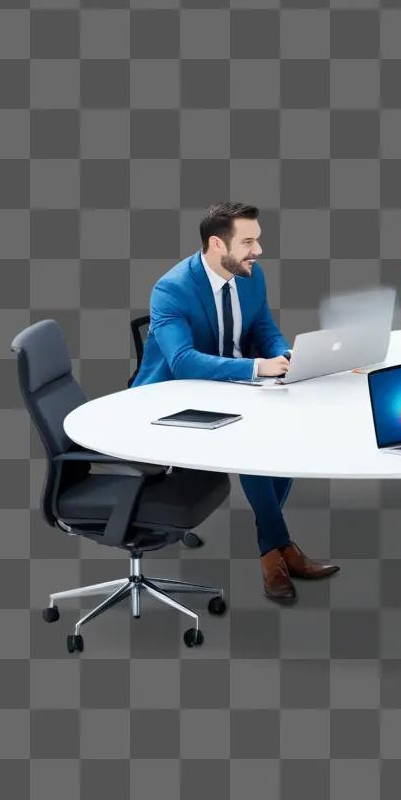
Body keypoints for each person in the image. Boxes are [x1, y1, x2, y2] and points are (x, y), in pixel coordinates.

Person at [131, 203, 339, 603]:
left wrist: (285, 355)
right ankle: (275, 552)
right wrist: (257, 367)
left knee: (287, 439)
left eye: (257, 239)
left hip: (233, 386)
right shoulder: (172, 289)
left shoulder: (249, 275)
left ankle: (274, 547)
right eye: (248, 241)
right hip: (172, 398)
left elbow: (264, 327)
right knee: (255, 446)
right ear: (216, 244)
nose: (258, 250)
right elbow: (182, 361)